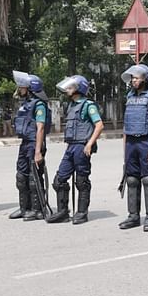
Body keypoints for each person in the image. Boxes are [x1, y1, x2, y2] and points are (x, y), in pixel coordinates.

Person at [47, 75, 103, 224]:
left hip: (82, 146)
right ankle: (63, 212)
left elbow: (99, 125)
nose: (67, 90)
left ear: (79, 89)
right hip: (71, 146)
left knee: (81, 181)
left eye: (70, 87)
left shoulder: (88, 106)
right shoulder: (71, 105)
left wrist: (90, 144)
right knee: (59, 180)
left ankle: (82, 213)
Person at [118, 64, 148, 232]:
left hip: (146, 141)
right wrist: (125, 150)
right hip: (131, 142)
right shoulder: (129, 96)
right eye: (132, 78)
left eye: (137, 77)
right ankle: (133, 216)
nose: (134, 80)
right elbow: (126, 124)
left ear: (145, 79)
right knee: (131, 179)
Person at [9, 71, 51, 221]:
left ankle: (37, 209)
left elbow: (40, 128)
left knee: (34, 178)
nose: (20, 89)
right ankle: (24, 208)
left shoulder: (39, 105)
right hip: (25, 143)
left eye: (22, 86)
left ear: (30, 88)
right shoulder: (26, 104)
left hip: (35, 143)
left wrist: (38, 151)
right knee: (21, 176)